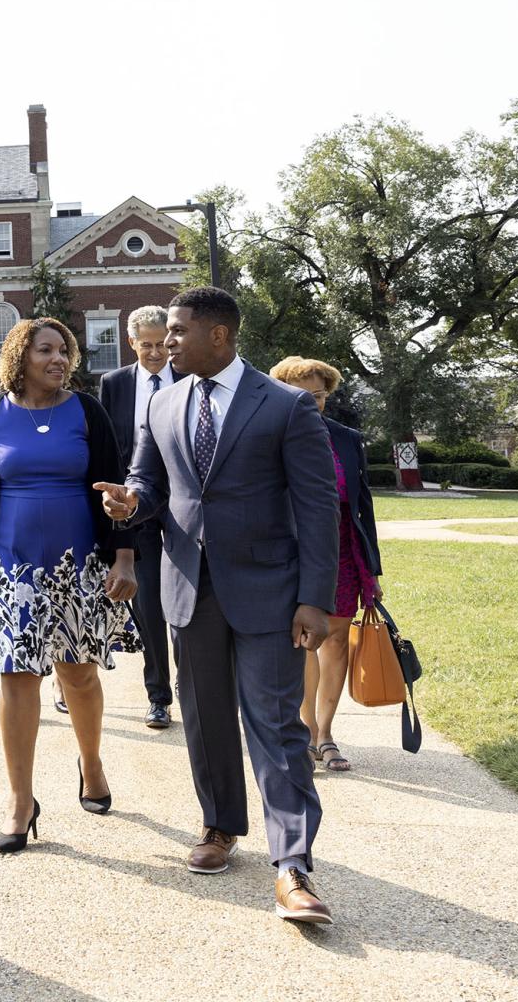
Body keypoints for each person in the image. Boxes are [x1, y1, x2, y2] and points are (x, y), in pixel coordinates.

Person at [96, 287, 340, 924]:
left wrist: (315, 599)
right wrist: (130, 502)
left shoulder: (286, 406)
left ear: (219, 336)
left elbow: (318, 509)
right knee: (203, 718)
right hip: (186, 586)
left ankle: (292, 866)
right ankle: (219, 826)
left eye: (177, 331)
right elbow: (151, 483)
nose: (166, 342)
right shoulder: (164, 403)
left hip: (269, 592)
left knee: (277, 727)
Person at [0, 318, 139, 853]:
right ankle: (20, 800)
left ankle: (91, 763)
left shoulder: (87, 412)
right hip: (10, 569)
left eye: (64, 350)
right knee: (17, 680)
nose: (58, 359)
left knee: (78, 676)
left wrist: (124, 557)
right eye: (46, 350)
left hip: (77, 568)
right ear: (20, 356)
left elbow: (119, 487)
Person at [269, 357, 382, 774]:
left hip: (343, 549)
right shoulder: (273, 434)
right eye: (300, 394)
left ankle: (325, 735)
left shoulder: (347, 438)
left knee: (335, 640)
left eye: (317, 395)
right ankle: (305, 729)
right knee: (304, 642)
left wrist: (372, 570)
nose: (310, 402)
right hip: (294, 550)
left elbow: (363, 505)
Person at [97, 305, 180, 730]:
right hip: (135, 508)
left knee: (190, 601)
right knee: (148, 607)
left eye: (160, 344)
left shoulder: (189, 379)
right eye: (145, 345)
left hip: (183, 508)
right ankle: (158, 696)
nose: (154, 353)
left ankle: (192, 682)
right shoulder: (113, 384)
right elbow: (111, 451)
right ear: (131, 343)